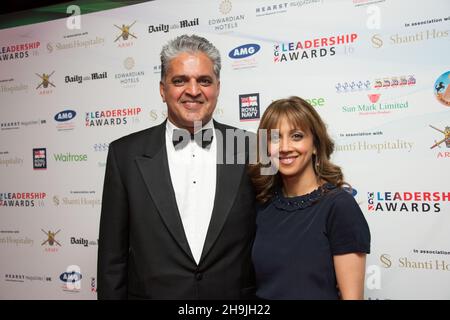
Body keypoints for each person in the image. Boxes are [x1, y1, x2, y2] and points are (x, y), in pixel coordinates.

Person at [97, 34, 256, 299]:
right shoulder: (124, 154)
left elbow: (280, 230)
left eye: (204, 81)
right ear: (162, 90)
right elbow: (112, 259)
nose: (193, 91)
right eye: (179, 80)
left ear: (218, 87)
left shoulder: (249, 146)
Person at [249, 96, 370, 300]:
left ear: (315, 145)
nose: (285, 147)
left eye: (296, 136)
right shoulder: (263, 204)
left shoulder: (339, 206)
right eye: (276, 138)